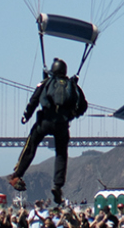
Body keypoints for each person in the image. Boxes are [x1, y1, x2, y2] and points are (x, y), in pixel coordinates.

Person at [8, 56, 85, 205]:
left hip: (45, 121)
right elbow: (83, 106)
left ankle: (17, 175)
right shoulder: (72, 85)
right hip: (62, 124)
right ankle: (57, 185)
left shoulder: (45, 83)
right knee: (61, 154)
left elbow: (34, 100)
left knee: (31, 145)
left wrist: (26, 115)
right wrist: (72, 115)